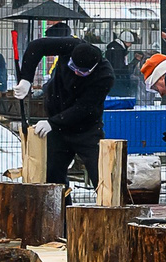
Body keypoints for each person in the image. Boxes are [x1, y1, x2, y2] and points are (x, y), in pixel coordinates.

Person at [33, 26, 109, 186]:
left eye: (81, 72)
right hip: (58, 127)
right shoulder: (69, 46)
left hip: (87, 130)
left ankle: (107, 207)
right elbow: (36, 46)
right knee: (53, 174)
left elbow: (84, 108)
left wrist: (53, 122)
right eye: (73, 68)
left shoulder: (104, 75)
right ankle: (61, 208)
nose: (75, 73)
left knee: (101, 176)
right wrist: (26, 79)